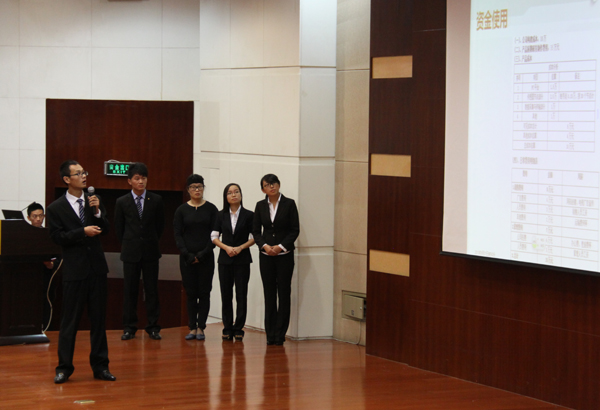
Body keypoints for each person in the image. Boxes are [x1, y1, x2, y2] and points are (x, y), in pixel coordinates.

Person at [46, 160, 115, 384]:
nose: (84, 176)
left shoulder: (94, 200)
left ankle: (101, 367)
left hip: (96, 269)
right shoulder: (56, 208)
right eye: (78, 174)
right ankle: (64, 368)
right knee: (70, 321)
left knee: (98, 320)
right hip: (74, 270)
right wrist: (82, 232)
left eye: (84, 172)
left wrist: (97, 212)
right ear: (67, 179)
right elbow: (57, 237)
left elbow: (105, 229)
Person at [114, 163, 165, 341]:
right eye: (137, 178)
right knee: (130, 290)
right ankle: (129, 327)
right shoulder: (122, 202)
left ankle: (153, 327)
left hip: (151, 251)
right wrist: (130, 243)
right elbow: (119, 228)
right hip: (130, 252)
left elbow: (160, 226)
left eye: (143, 178)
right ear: (130, 181)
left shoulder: (156, 200)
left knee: (152, 290)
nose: (141, 181)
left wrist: (149, 241)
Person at [252, 174, 300, 346]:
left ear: (279, 185)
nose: (271, 187)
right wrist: (265, 246)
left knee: (284, 293)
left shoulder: (289, 204)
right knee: (269, 293)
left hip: (284, 255)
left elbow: (294, 230)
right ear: (263, 189)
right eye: (267, 185)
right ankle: (270, 333)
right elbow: (256, 231)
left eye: (274, 183)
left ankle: (280, 334)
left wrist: (280, 246)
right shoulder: (260, 205)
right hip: (266, 256)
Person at [173, 174, 218, 341]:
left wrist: (203, 253)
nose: (197, 190)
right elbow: (177, 234)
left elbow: (215, 234)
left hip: (206, 257)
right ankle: (192, 326)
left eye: (199, 186)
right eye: (193, 187)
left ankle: (201, 327)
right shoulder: (181, 210)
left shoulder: (211, 209)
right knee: (191, 293)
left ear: (203, 188)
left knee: (204, 292)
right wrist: (188, 254)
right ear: (188, 190)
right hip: (187, 259)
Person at [211, 183, 255, 341]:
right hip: (225, 259)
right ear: (226, 197)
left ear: (241, 195)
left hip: (242, 259)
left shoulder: (249, 215)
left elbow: (254, 237)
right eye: (230, 193)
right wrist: (226, 248)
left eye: (236, 192)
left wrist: (240, 247)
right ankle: (227, 327)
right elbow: (214, 236)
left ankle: (239, 328)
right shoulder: (220, 214)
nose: (234, 195)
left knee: (241, 294)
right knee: (226, 294)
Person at [27, 202, 59, 330]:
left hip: (45, 275)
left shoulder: (49, 234)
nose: (38, 219)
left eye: (41, 216)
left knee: (45, 302)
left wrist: (52, 264)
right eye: (35, 216)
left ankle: (45, 329)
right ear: (29, 217)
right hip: (28, 275)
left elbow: (58, 256)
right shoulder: (24, 235)